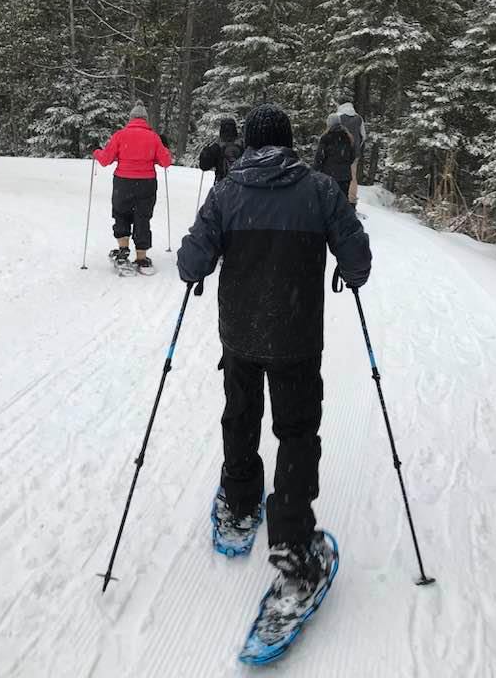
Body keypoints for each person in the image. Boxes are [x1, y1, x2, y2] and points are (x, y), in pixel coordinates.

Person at [177, 103, 371, 637]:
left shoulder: (226, 193)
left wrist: (197, 266)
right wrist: (352, 272)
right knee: (297, 433)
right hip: (297, 339)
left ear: (249, 144)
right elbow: (357, 256)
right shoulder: (319, 190)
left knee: (241, 414)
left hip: (240, 336)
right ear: (288, 143)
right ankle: (292, 543)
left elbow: (192, 261)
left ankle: (241, 503)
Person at [93, 101, 172, 272]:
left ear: (131, 119)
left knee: (121, 214)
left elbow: (105, 160)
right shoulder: (154, 137)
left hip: (123, 182)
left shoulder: (120, 135)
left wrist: (96, 151)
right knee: (142, 217)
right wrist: (164, 148)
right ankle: (142, 258)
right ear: (145, 120)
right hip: (147, 183)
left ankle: (123, 251)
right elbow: (166, 162)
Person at [313, 114, 355, 198]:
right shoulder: (347, 137)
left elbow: (319, 157)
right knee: (342, 199)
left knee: (329, 200)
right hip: (345, 176)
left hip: (329, 174)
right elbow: (352, 157)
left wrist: (315, 171)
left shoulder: (326, 137)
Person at [337, 102, 366, 208]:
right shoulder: (359, 118)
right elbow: (363, 136)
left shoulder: (338, 117)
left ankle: (339, 200)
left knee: (338, 175)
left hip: (340, 152)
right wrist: (357, 146)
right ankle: (352, 201)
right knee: (353, 176)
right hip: (354, 153)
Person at [198, 118, 243, 183]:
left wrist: (205, 154)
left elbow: (204, 166)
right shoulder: (242, 144)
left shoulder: (217, 145)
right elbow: (204, 166)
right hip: (240, 183)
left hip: (222, 183)